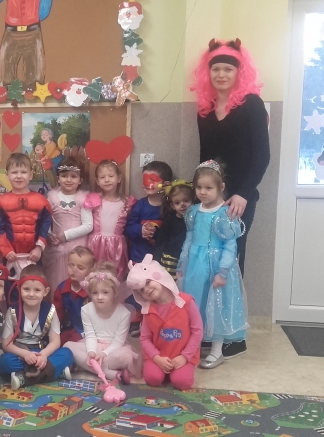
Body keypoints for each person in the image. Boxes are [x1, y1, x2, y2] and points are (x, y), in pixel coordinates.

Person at [193, 38, 270, 275]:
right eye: (215, 69)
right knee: (207, 257)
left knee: (231, 260)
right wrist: (199, 191)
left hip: (240, 197)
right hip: (211, 194)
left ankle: (232, 301)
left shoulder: (252, 105)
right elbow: (205, 158)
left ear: (239, 72)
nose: (221, 74)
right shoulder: (205, 109)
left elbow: (262, 155)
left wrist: (243, 193)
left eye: (228, 69)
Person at [177, 161, 249, 368]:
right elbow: (189, 239)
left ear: (221, 187)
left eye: (208, 188)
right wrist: (182, 264)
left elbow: (230, 244)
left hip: (217, 267)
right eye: (199, 187)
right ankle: (194, 347)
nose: (202, 192)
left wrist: (223, 271)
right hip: (195, 266)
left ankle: (217, 351)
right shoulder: (193, 212)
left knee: (216, 307)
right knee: (195, 304)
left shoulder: (225, 214)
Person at [127, 254, 203, 390]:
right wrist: (156, 358)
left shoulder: (186, 302)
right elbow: (145, 338)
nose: (146, 289)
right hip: (159, 356)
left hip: (182, 355)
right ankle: (165, 371)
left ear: (160, 276)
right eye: (141, 290)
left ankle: (181, 370)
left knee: (182, 382)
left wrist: (185, 357)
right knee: (152, 379)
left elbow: (197, 331)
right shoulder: (148, 310)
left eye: (148, 282)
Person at [0, 265, 74, 389]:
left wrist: (43, 355)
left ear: (45, 291)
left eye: (37, 290)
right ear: (19, 289)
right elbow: (6, 344)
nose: (31, 294)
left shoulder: (51, 310)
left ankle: (24, 378)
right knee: (5, 362)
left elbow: (55, 342)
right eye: (26, 289)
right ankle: (52, 371)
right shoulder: (12, 311)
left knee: (67, 354)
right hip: (21, 354)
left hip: (41, 352)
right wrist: (25, 354)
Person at [63, 262, 139, 382]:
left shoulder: (124, 313)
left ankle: (86, 366)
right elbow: (90, 335)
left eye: (105, 292)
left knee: (126, 357)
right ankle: (112, 374)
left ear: (114, 293)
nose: (99, 297)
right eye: (95, 293)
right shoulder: (86, 310)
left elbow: (118, 341)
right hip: (93, 344)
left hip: (114, 349)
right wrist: (91, 352)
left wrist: (104, 353)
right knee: (68, 347)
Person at [124, 160, 173, 337]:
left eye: (152, 180)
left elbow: (172, 231)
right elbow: (128, 228)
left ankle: (157, 320)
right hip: (139, 255)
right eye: (145, 180)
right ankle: (137, 320)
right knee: (139, 288)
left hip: (159, 258)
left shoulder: (169, 206)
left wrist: (156, 232)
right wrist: (140, 230)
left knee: (158, 288)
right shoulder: (140, 205)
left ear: (165, 183)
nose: (147, 184)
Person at [0, 152, 52, 277]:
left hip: (34, 255)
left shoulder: (42, 201)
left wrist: (39, 248)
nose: (19, 176)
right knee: (9, 286)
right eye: (14, 172)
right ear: (7, 175)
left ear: (31, 175)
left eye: (23, 172)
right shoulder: (0, 202)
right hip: (10, 256)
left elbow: (46, 226)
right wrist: (6, 250)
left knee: (34, 284)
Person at [43, 157, 92, 293]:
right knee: (57, 282)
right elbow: (46, 220)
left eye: (73, 176)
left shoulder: (83, 199)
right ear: (58, 178)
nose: (68, 180)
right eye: (64, 176)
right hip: (57, 248)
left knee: (77, 281)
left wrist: (66, 235)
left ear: (80, 180)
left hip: (78, 249)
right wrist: (49, 234)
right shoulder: (52, 198)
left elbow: (88, 225)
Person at [85, 159, 134, 281]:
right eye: (102, 177)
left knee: (114, 276)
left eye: (111, 176)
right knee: (94, 275)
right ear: (97, 181)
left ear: (119, 178)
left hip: (116, 247)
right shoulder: (93, 199)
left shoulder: (127, 202)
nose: (107, 180)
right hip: (95, 245)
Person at [52, 246, 95, 345]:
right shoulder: (62, 288)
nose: (74, 270)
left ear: (90, 271)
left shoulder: (92, 290)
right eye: (71, 266)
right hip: (67, 328)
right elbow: (56, 313)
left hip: (88, 331)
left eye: (80, 268)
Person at [152, 181, 195, 280]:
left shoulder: (196, 219)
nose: (182, 205)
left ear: (192, 200)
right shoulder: (170, 220)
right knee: (170, 283)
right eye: (177, 203)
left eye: (186, 200)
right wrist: (156, 260)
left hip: (189, 259)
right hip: (170, 259)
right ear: (172, 206)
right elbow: (161, 241)